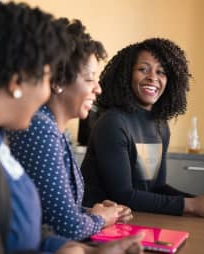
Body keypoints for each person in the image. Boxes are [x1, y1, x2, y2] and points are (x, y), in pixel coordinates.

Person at [0, 2, 143, 254]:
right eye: (46, 77)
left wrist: (83, 251)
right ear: (16, 82)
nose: (47, 91)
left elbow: (24, 226)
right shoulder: (1, 140)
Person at [7, 19, 132, 241]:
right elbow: (67, 228)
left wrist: (95, 212)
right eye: (90, 78)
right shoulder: (40, 127)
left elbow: (52, 213)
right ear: (58, 81)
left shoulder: (56, 130)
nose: (98, 88)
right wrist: (102, 219)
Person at [81, 38, 204, 219]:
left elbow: (157, 187)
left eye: (161, 72)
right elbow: (123, 195)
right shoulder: (113, 123)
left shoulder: (160, 125)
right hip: (101, 224)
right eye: (143, 69)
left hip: (141, 217)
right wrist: (192, 205)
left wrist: (199, 201)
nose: (153, 77)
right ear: (126, 74)